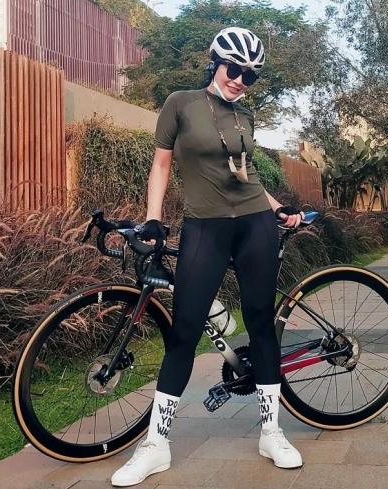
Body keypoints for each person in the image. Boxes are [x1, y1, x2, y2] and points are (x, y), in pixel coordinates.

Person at [111, 26, 305, 487]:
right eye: (233, 69)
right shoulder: (180, 104)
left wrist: (278, 209)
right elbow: (161, 163)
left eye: (250, 75)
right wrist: (153, 218)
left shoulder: (246, 116)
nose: (239, 79)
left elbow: (246, 174)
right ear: (215, 63)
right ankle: (156, 445)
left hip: (254, 225)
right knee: (184, 331)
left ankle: (271, 433)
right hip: (205, 226)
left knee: (260, 324)